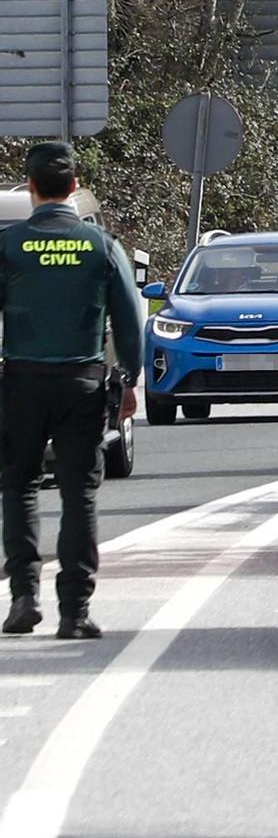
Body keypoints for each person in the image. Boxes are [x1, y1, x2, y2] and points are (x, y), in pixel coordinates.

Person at [1, 143, 143, 638]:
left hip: (20, 382)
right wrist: (129, 379)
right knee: (79, 494)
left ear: (31, 187)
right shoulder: (101, 245)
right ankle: (74, 613)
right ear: (76, 186)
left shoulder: (9, 245)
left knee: (18, 487)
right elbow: (129, 321)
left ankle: (23, 598)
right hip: (81, 384)